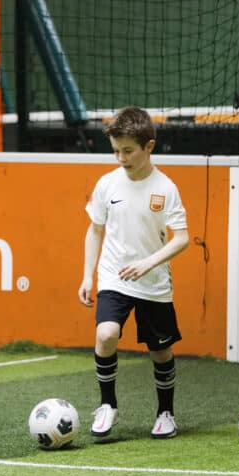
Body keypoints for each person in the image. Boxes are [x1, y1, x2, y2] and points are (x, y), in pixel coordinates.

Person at [78, 106, 189, 440]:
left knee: (160, 350)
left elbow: (182, 239)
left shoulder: (166, 188)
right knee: (106, 334)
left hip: (153, 283)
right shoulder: (107, 184)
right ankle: (107, 405)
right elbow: (95, 230)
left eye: (128, 151)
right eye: (115, 151)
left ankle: (166, 413)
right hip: (114, 275)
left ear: (149, 147)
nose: (121, 158)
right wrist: (88, 276)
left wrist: (149, 263)